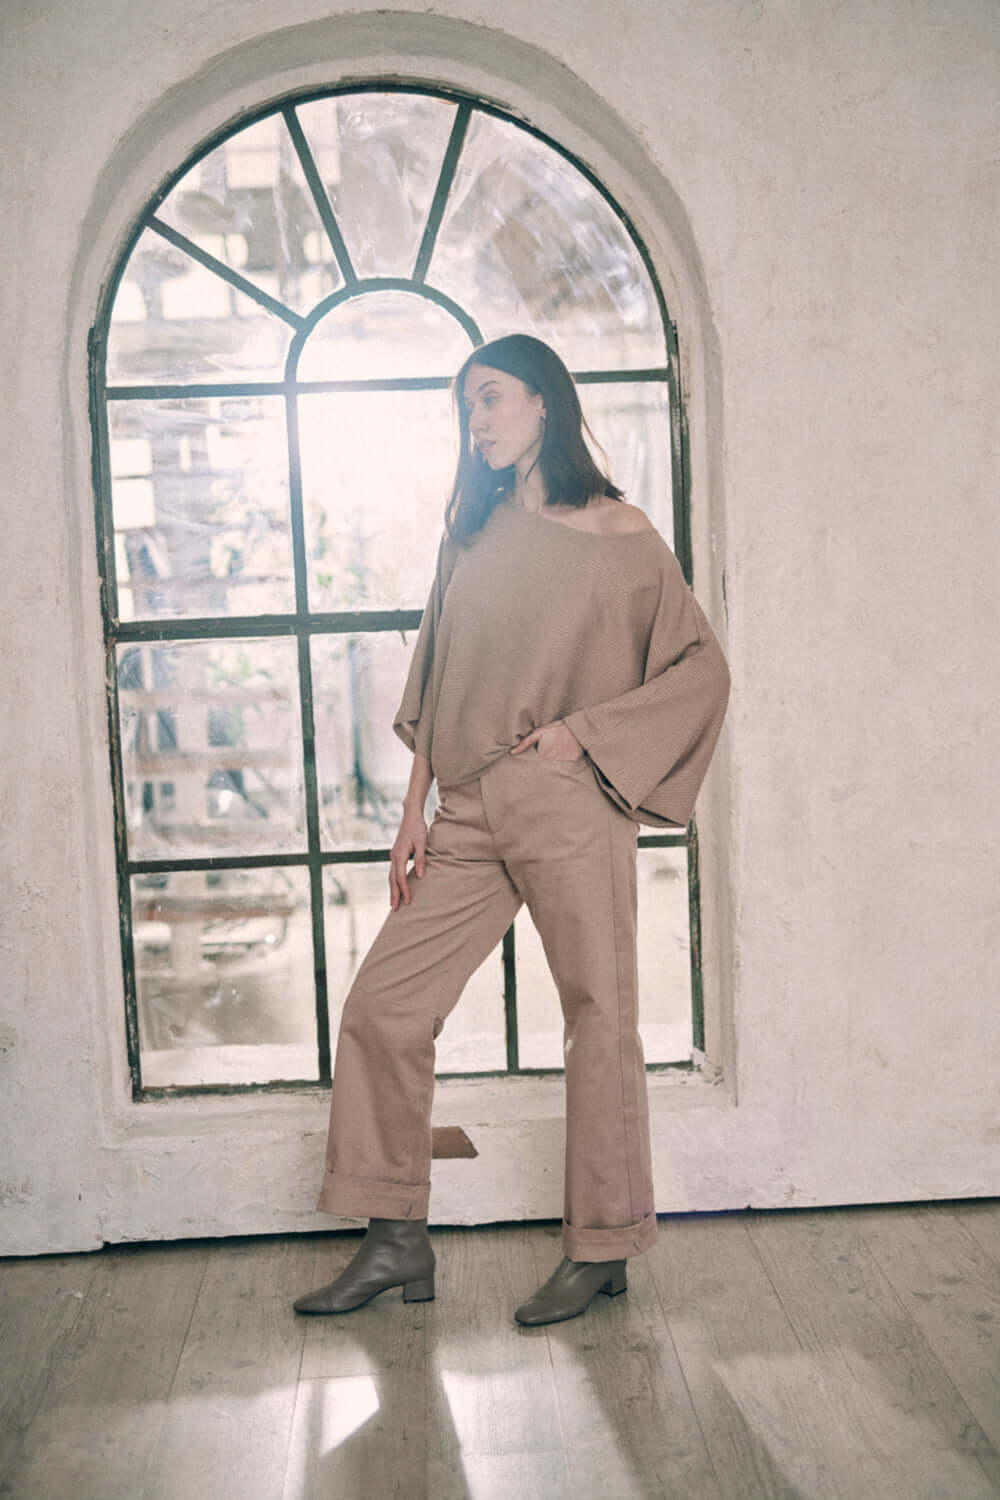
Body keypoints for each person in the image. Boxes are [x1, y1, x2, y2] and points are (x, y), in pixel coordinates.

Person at [294, 334, 730, 1326]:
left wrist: (586, 733)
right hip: (468, 807)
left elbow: (699, 670)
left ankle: (604, 1246)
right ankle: (396, 1240)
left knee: (599, 1018)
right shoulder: (470, 533)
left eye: (489, 400)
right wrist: (413, 811)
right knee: (382, 1012)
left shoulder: (620, 536)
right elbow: (438, 679)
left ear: (543, 405)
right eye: (466, 408)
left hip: (568, 804)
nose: (476, 422)